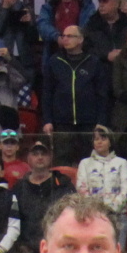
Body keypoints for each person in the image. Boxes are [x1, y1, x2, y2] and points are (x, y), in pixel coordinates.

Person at [40, 23, 109, 156]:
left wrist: (101, 121)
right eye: (63, 36)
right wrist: (47, 120)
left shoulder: (93, 62)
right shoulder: (54, 61)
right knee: (62, 160)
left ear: (80, 39)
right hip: (62, 123)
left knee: (89, 160)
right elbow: (47, 93)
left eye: (70, 36)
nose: (65, 39)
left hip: (88, 123)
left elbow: (102, 94)